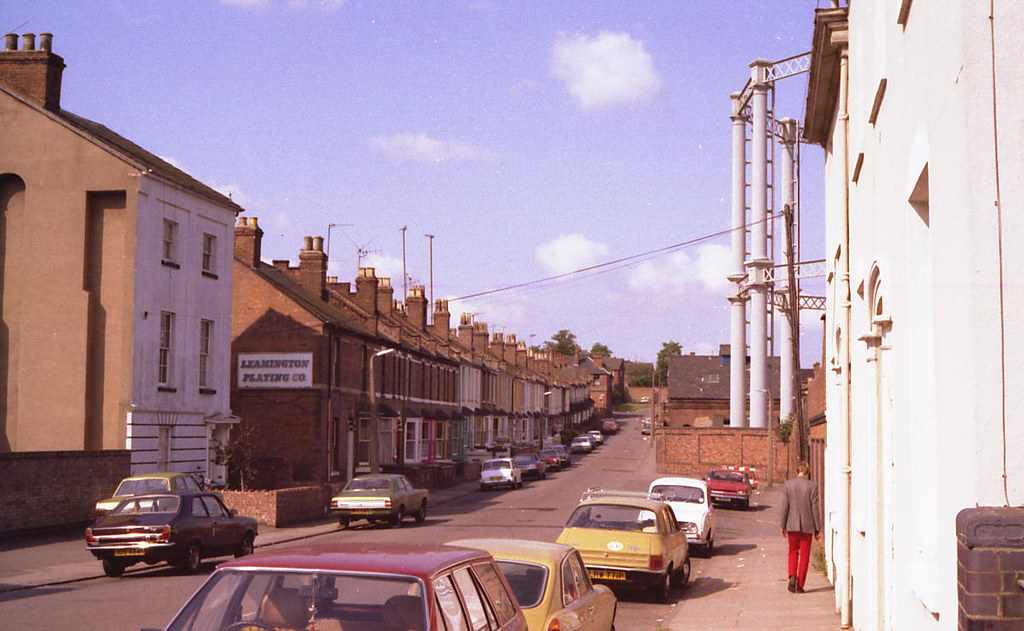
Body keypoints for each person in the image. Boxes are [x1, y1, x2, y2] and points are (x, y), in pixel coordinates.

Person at [780, 461, 822, 593]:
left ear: (797, 470)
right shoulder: (813, 486)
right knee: (804, 555)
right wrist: (817, 528)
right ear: (808, 472)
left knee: (792, 551)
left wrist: (782, 525)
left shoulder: (788, 485)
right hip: (807, 526)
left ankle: (792, 575)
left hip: (792, 525)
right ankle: (800, 585)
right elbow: (814, 509)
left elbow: (784, 507)